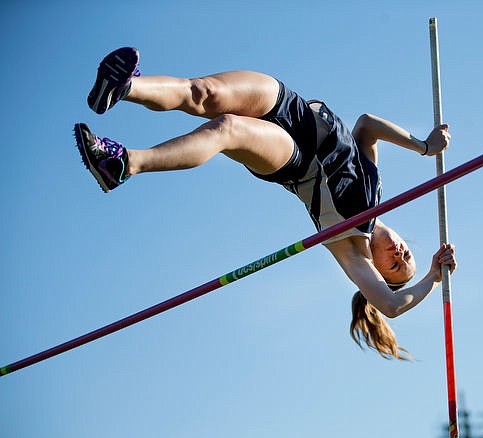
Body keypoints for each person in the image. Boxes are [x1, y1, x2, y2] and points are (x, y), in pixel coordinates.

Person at [74, 47, 456, 360]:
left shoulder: (352, 248)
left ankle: (125, 164)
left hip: (295, 159)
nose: (400, 253)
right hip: (297, 109)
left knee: (227, 128)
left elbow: (390, 305)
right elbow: (367, 125)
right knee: (203, 92)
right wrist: (424, 147)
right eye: (408, 254)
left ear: (379, 270)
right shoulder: (376, 186)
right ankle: (125, 88)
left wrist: (432, 278)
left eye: (395, 264)